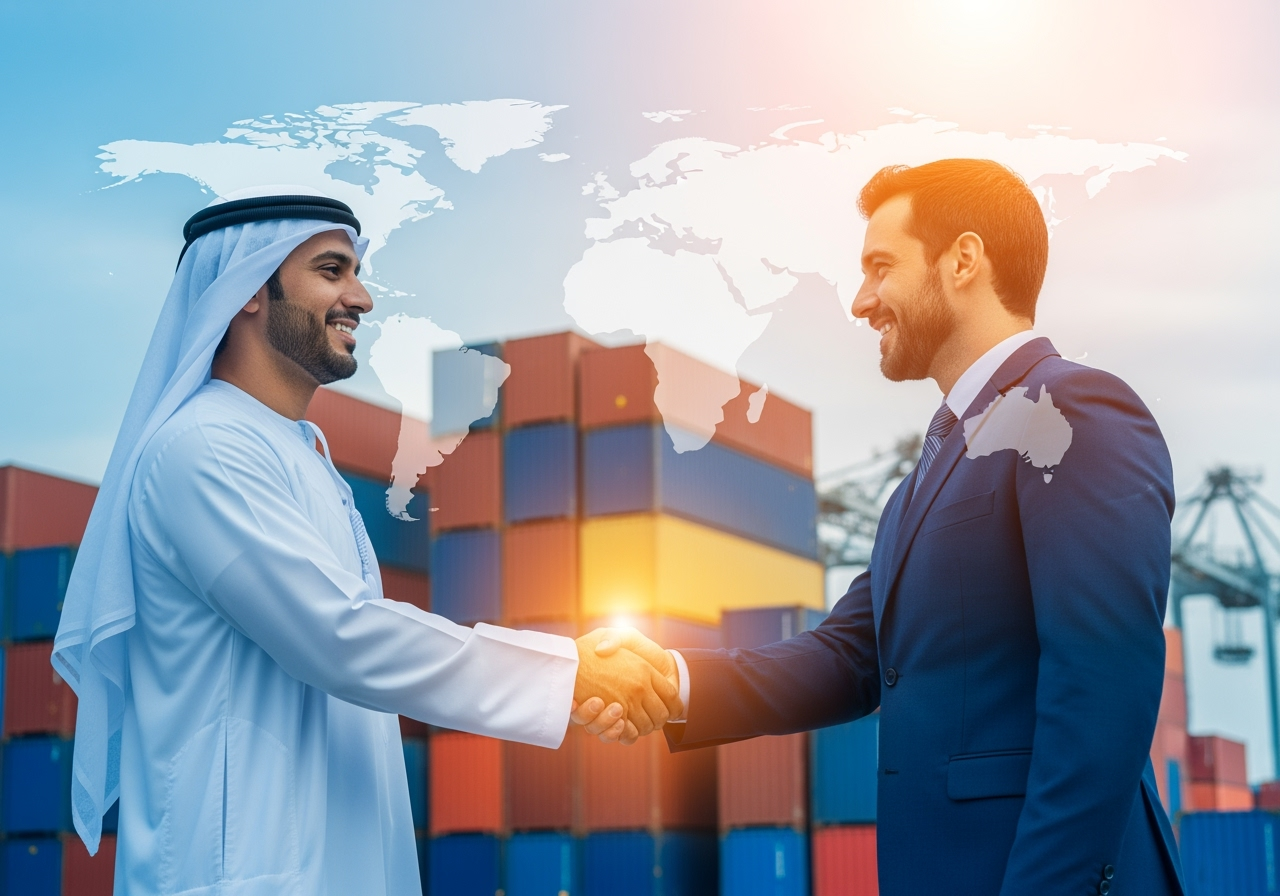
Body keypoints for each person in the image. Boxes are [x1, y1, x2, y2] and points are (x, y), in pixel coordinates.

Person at [52, 186, 672, 895]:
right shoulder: (203, 448)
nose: (362, 297)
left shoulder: (300, 454)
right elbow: (338, 634)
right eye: (331, 270)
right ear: (249, 289)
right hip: (239, 876)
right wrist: (567, 672)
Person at [590, 160, 1185, 895]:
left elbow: (1102, 691)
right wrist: (673, 680)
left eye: (879, 267)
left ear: (963, 260)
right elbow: (853, 658)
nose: (861, 302)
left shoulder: (1072, 411)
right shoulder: (922, 484)